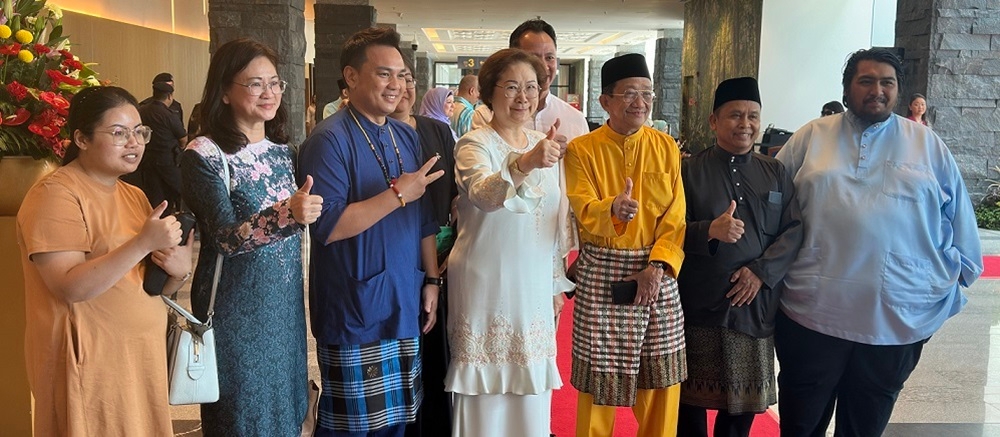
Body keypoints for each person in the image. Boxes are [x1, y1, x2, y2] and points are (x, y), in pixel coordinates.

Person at [774, 48, 983, 437]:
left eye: (887, 82)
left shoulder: (927, 145)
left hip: (897, 314)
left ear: (899, 90)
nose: (877, 90)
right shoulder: (812, 136)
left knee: (865, 425)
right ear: (848, 88)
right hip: (813, 309)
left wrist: (957, 275)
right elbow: (771, 199)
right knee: (802, 422)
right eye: (866, 81)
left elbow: (960, 218)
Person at [17, 85, 192, 436]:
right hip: (88, 362)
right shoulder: (57, 194)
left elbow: (147, 285)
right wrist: (143, 242)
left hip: (137, 359)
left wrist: (177, 272)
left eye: (139, 132)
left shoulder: (134, 195)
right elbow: (70, 286)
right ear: (81, 139)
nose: (134, 143)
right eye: (118, 133)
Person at [298, 26, 444, 437]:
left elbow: (423, 218)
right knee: (352, 428)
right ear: (351, 76)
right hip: (354, 304)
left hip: (402, 295)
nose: (396, 85)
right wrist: (399, 193)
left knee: (396, 422)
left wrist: (431, 279)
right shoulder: (329, 139)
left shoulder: (404, 135)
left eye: (401, 75)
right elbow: (328, 226)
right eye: (384, 74)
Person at [180, 38, 322, 436]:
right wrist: (286, 214)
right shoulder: (204, 155)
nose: (269, 93)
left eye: (275, 83)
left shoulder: (282, 152)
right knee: (241, 413)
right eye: (255, 84)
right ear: (224, 91)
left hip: (284, 307)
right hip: (235, 309)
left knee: (285, 409)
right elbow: (225, 237)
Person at [444, 48, 574, 437]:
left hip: (532, 289)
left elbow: (553, 224)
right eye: (512, 87)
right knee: (485, 397)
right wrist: (525, 163)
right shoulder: (474, 143)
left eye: (531, 87)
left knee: (530, 398)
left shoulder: (544, 142)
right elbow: (484, 194)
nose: (523, 97)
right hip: (486, 283)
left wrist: (555, 283)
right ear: (489, 91)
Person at [564, 53, 687, 437]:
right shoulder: (581, 149)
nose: (641, 102)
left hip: (656, 273)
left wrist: (658, 267)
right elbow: (582, 205)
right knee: (599, 382)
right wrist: (612, 208)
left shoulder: (666, 146)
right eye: (630, 93)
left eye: (647, 93)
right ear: (605, 102)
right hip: (603, 271)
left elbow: (676, 215)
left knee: (661, 379)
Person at [676, 77, 803, 437]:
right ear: (714, 121)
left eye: (752, 116)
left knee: (740, 417)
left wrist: (761, 273)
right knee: (690, 411)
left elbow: (794, 229)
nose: (745, 124)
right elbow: (666, 231)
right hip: (700, 307)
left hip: (754, 309)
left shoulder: (775, 171)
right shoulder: (687, 170)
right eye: (735, 115)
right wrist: (707, 232)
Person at [391, 53, 458, 437]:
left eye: (410, 79)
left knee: (436, 352)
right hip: (402, 257)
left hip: (442, 255)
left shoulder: (435, 129)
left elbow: (455, 188)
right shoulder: (374, 135)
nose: (405, 87)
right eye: (395, 78)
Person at [471, 19, 589, 143]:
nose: (543, 66)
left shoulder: (576, 119)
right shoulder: (486, 116)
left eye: (550, 57)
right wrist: (536, 151)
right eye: (533, 58)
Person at [137, 80, 187, 212]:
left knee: (155, 195)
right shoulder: (168, 114)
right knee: (180, 189)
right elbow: (183, 138)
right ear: (170, 96)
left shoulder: (142, 110)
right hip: (168, 160)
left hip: (147, 159)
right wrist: (181, 149)